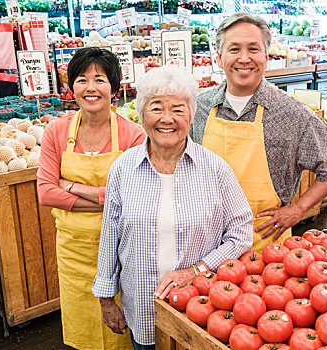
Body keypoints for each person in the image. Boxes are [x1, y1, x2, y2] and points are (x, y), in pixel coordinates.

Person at [92, 65, 253, 349]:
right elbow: (109, 237)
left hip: (200, 312)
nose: (167, 119)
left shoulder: (215, 169)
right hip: (141, 306)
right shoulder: (123, 169)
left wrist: (196, 271)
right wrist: (106, 299)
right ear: (141, 114)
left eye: (178, 109)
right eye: (156, 108)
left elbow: (241, 232)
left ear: (191, 114)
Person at [191, 13, 327, 252]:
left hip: (264, 245)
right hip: (205, 240)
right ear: (219, 58)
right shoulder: (200, 106)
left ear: (266, 58)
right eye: (234, 49)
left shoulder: (291, 112)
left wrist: (298, 209)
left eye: (253, 49)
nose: (244, 58)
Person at [37, 47, 146, 350]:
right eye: (82, 80)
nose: (90, 88)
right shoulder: (56, 132)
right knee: (83, 331)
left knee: (123, 333)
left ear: (113, 87)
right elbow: (46, 192)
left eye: (99, 79)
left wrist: (70, 186)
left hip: (124, 251)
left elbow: (133, 198)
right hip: (74, 252)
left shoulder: (133, 135)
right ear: (72, 87)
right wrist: (108, 197)